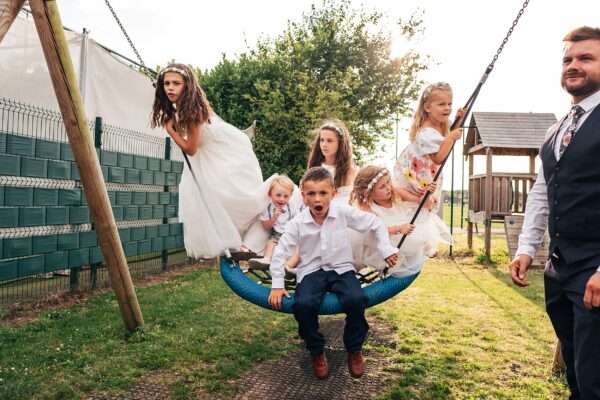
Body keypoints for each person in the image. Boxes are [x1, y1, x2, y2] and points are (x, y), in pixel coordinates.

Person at [510, 26, 600, 399]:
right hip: (559, 269)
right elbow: (542, 192)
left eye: (586, 58)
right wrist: (526, 248)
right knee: (577, 375)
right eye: (567, 59)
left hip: (595, 270)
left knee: (595, 380)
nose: (573, 65)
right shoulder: (555, 129)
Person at [268, 167, 399, 380]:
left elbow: (374, 223)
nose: (317, 199)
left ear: (333, 194)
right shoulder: (297, 224)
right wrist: (276, 284)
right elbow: (280, 252)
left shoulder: (342, 212)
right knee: (303, 305)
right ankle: (316, 351)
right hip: (311, 271)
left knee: (356, 299)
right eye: (311, 194)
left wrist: (385, 249)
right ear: (303, 196)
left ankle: (354, 349)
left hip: (341, 269)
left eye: (323, 193)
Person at [150, 63, 269, 259]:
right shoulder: (182, 108)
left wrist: (171, 131)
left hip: (223, 150)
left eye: (176, 83)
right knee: (207, 199)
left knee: (230, 195)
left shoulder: (193, 111)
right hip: (210, 153)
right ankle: (237, 243)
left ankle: (254, 235)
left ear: (187, 86)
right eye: (166, 83)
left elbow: (191, 149)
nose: (170, 87)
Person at [392, 82, 461, 256]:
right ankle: (413, 244)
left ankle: (420, 245)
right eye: (441, 104)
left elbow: (445, 139)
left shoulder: (439, 126)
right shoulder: (425, 132)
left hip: (425, 174)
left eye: (449, 104)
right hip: (416, 174)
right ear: (427, 107)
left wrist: (458, 120)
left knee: (422, 209)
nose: (447, 108)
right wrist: (452, 138)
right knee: (416, 207)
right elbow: (439, 157)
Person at [350, 165, 440, 277]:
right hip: (386, 237)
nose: (388, 187)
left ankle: (426, 247)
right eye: (382, 186)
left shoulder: (396, 192)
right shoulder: (367, 207)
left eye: (388, 182)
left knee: (419, 221)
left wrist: (428, 194)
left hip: (406, 227)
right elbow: (372, 232)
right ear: (368, 193)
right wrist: (398, 229)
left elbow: (422, 204)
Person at [248, 175, 297, 268]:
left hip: (291, 233)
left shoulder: (292, 206)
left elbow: (296, 219)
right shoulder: (268, 208)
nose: (282, 199)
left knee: (297, 246)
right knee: (270, 243)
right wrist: (274, 218)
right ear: (270, 194)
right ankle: (267, 259)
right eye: (278, 195)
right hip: (277, 233)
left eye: (286, 196)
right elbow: (266, 227)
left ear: (290, 196)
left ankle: (292, 264)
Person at [307, 119, 357, 204]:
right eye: (322, 140)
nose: (324, 144)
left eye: (329, 141)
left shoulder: (350, 170)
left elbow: (353, 201)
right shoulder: (315, 167)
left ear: (340, 143)